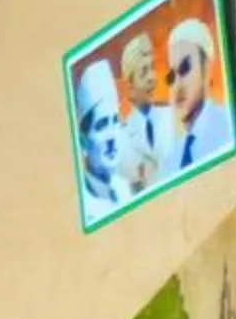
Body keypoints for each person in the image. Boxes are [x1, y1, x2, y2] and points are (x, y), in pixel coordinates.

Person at [165, 17, 236, 172]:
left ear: (207, 69)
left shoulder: (231, 127)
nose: (177, 86)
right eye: (171, 77)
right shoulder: (171, 162)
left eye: (185, 69)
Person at [74, 58, 134, 219]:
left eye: (115, 121)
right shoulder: (84, 207)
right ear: (84, 141)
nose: (111, 137)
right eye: (101, 126)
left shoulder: (124, 189)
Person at [114, 27, 172, 190]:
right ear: (130, 84)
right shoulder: (124, 135)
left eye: (152, 67)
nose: (152, 77)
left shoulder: (173, 116)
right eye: (144, 72)